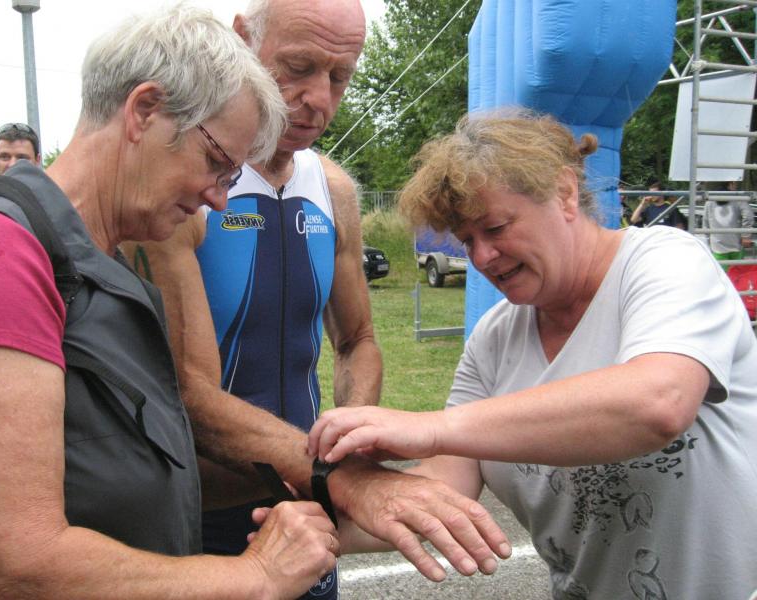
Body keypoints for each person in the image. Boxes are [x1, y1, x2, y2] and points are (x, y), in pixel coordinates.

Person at [0, 6, 343, 599]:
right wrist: (257, 575)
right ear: (144, 110)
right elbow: (10, 562)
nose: (219, 199)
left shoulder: (106, 265)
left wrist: (328, 482)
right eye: (216, 163)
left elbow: (144, 478)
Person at [123, 0, 509, 592]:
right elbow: (187, 392)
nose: (319, 99)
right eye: (298, 68)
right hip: (199, 512)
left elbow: (358, 341)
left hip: (311, 500)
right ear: (243, 40)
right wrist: (331, 474)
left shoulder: (333, 190)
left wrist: (349, 446)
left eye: (340, 76)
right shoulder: (186, 190)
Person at [309, 110, 757, 599]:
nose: (481, 257)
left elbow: (658, 402)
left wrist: (431, 427)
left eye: (496, 227)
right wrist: (317, 527)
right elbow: (448, 482)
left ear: (565, 192)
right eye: (467, 240)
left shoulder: (664, 261)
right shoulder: (494, 338)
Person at [702, 180, 754, 270]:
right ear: (730, 184)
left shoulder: (709, 201)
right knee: (736, 274)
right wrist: (745, 235)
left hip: (717, 246)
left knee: (721, 275)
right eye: (734, 183)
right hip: (736, 244)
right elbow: (748, 216)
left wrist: (708, 241)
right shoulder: (738, 199)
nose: (736, 186)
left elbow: (705, 223)